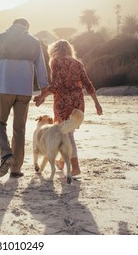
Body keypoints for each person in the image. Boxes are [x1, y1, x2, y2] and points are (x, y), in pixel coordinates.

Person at [0, 18, 49, 178]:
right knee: (19, 129)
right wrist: (43, 92)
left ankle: (6, 154)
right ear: (26, 27)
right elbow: (41, 68)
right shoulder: (34, 42)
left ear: (12, 24)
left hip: (4, 88)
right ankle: (16, 169)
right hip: (24, 91)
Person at [34, 39, 103, 176]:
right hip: (78, 103)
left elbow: (56, 85)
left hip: (63, 103)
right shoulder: (77, 63)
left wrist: (41, 97)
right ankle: (62, 161)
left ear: (55, 51)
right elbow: (88, 84)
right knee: (67, 132)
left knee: (67, 134)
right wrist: (96, 103)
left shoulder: (56, 62)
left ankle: (75, 168)